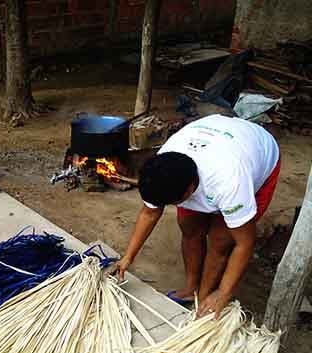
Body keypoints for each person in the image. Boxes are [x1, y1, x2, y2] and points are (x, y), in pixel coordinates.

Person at [115, 114, 280, 318]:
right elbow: (150, 212)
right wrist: (127, 258)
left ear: (189, 191)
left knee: (221, 241)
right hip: (215, 137)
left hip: (258, 154)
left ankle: (203, 298)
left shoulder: (229, 181)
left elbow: (244, 243)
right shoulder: (164, 166)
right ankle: (191, 288)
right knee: (189, 227)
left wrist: (223, 292)